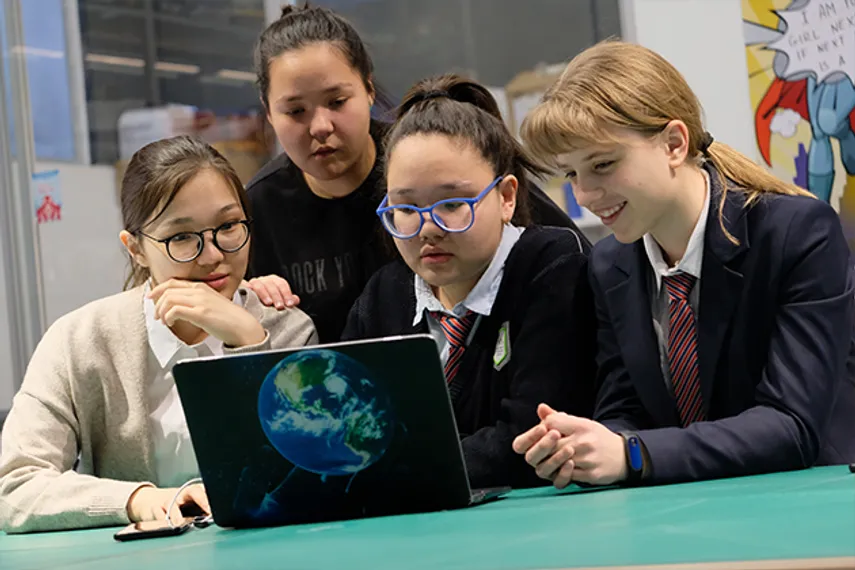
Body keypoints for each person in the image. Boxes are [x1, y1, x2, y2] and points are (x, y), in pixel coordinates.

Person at [512, 40, 855, 488]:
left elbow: (790, 425)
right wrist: (583, 446)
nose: (585, 195)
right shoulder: (609, 264)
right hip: (692, 506)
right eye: (571, 173)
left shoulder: (797, 233)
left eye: (603, 164)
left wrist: (633, 453)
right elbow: (625, 406)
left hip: (814, 498)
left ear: (674, 143)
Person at [0, 136, 317, 534]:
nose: (213, 255)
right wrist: (142, 500)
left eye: (228, 226)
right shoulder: (80, 339)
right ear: (135, 249)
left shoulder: (288, 328)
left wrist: (249, 342)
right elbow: (16, 487)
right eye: (181, 237)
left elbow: (310, 477)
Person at [245, 4, 579, 343]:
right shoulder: (257, 209)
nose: (320, 126)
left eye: (337, 101)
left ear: (369, 89)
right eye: (295, 111)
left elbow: (566, 255)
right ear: (268, 112)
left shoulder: (424, 158)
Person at [340, 74, 598, 490]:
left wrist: (392, 467)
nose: (428, 228)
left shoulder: (553, 267)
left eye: (453, 204)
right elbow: (347, 435)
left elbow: (529, 440)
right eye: (406, 208)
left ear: (506, 197)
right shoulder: (383, 297)